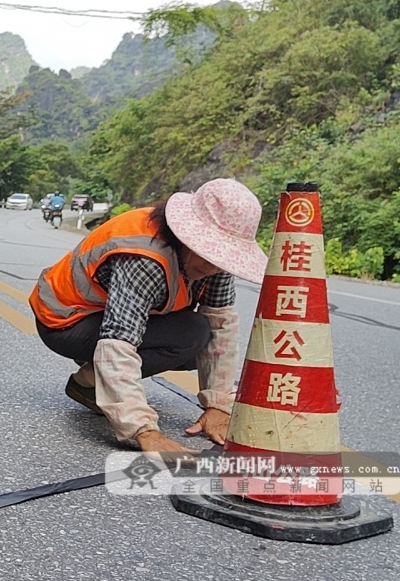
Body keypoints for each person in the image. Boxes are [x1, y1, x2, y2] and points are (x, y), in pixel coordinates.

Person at [28, 178, 267, 455]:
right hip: (66, 320)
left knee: (201, 339)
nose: (213, 266)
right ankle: (89, 382)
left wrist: (217, 406)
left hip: (108, 316)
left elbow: (221, 326)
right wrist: (143, 430)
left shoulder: (218, 266)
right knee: (192, 334)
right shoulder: (146, 256)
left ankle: (102, 380)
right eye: (208, 253)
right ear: (185, 235)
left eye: (222, 257)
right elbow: (119, 340)